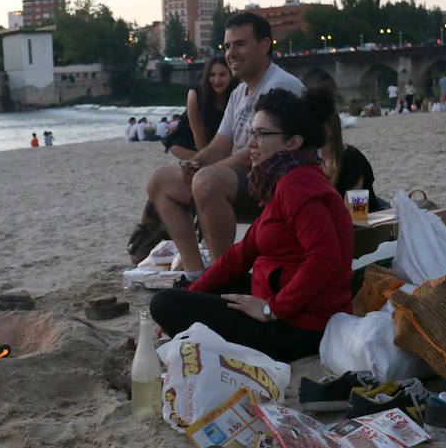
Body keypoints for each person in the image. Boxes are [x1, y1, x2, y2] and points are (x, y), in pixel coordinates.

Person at [150, 87, 354, 362]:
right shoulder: (284, 179)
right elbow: (239, 255)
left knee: (163, 303)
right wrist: (191, 293)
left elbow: (324, 258)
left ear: (293, 142)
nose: (252, 144)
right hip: (284, 302)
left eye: (262, 134)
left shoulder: (298, 185)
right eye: (251, 133)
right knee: (202, 287)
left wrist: (272, 309)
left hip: (303, 326)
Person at [145, 12, 304, 282]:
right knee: (160, 180)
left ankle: (225, 278)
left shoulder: (280, 86)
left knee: (208, 181)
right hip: (241, 179)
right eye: (227, 46)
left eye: (240, 44)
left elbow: (260, 153)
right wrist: (195, 164)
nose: (231, 53)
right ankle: (196, 274)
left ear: (264, 46)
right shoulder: (238, 93)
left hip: (278, 183)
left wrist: (207, 171)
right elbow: (220, 145)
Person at [162, 55, 238, 160]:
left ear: (231, 76)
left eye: (222, 75)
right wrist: (207, 157)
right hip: (193, 140)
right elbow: (197, 133)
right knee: (175, 147)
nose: (217, 80)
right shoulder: (195, 95)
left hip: (222, 141)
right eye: (212, 75)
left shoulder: (238, 94)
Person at [321, 113, 384, 212]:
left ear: (329, 129)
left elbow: (357, 211)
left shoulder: (351, 159)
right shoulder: (311, 161)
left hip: (365, 220)